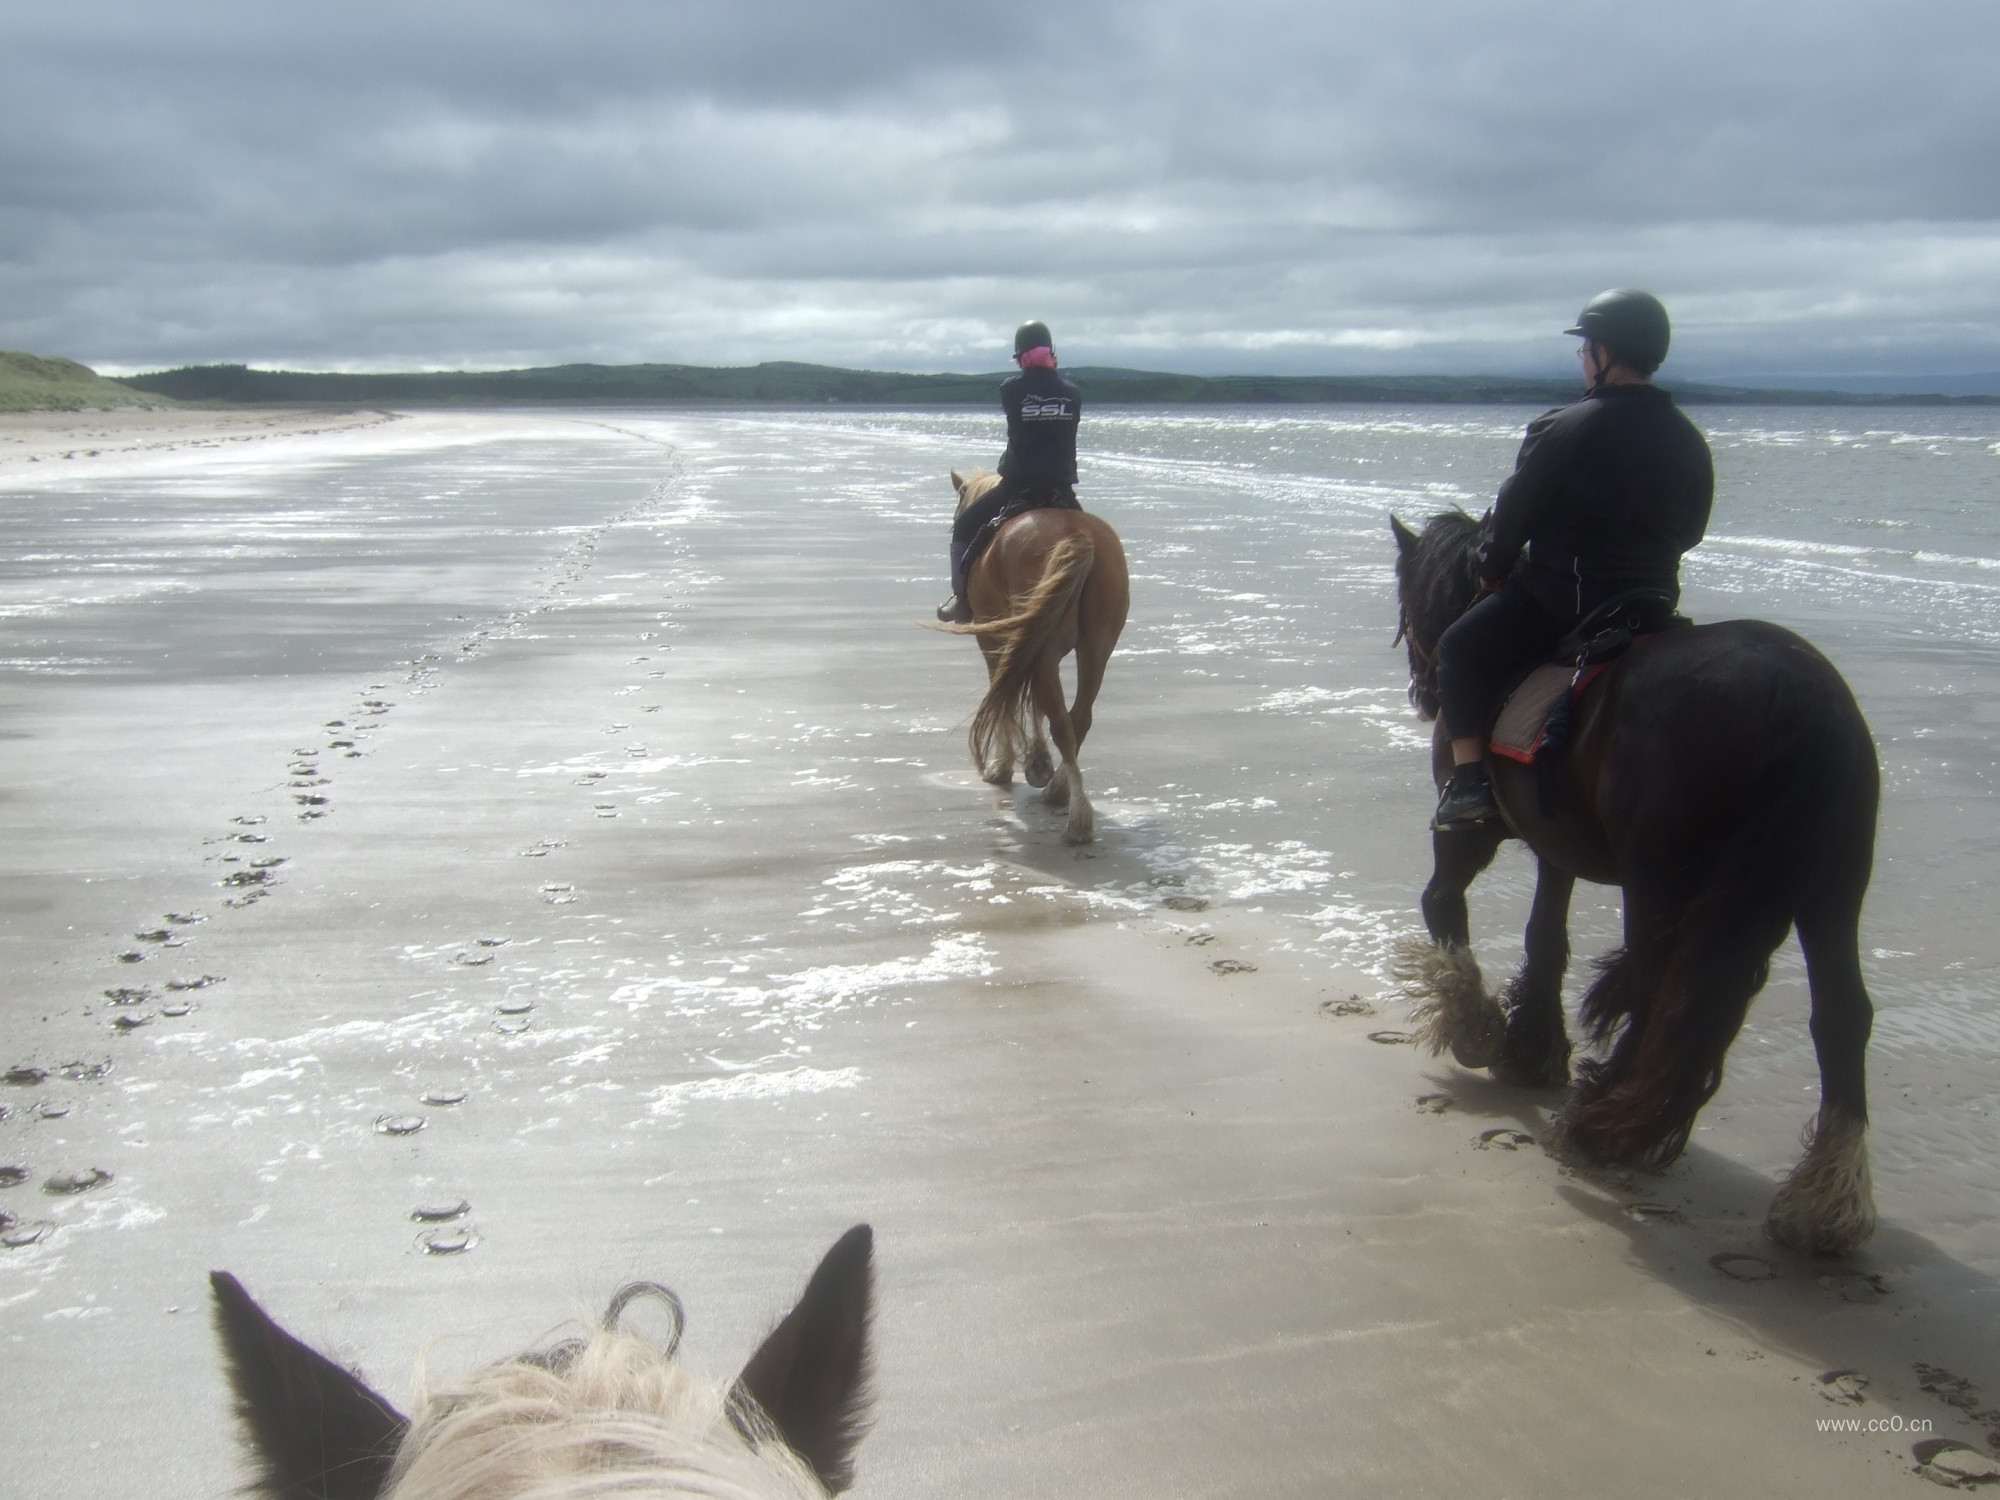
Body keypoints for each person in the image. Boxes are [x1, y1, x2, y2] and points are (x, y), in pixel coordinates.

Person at [1429, 289, 1715, 831]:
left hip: (1564, 604)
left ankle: (1468, 786)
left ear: (1604, 353)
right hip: (1653, 606)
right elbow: (1691, 532)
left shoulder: (1563, 428)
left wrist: (1492, 570)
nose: (1583, 360)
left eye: (1585, 349)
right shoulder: (1689, 439)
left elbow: (1513, 521)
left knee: (1458, 647)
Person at [936, 320, 1083, 624]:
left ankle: (962, 600)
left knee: (963, 527)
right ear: (1052, 352)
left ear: (1019, 356)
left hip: (1019, 487)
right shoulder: (1073, 394)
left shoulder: (1011, 390)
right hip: (1062, 490)